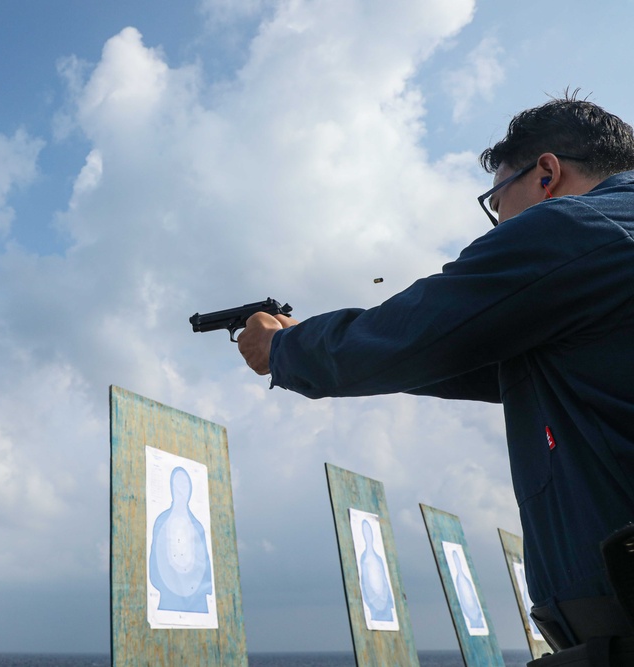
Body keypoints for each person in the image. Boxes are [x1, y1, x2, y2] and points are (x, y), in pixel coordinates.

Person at [236, 94, 634, 662]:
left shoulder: (576, 228)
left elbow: (418, 334)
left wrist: (281, 347)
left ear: (546, 174)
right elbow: (457, 350)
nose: (500, 223)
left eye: (498, 204)